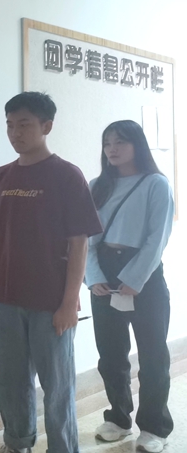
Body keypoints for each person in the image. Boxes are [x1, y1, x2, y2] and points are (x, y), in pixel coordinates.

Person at [0, 92, 102, 453]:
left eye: (24, 124)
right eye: (9, 125)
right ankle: (17, 443)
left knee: (57, 385)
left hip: (51, 302)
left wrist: (69, 301)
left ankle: (63, 447)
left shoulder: (67, 175)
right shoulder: (2, 176)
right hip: (7, 299)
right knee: (11, 381)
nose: (15, 133)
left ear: (46, 126)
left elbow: (79, 242)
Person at [85, 120, 174, 453]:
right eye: (107, 142)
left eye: (120, 141)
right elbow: (85, 239)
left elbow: (157, 239)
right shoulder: (96, 186)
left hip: (144, 274)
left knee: (152, 356)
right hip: (104, 270)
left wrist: (134, 279)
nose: (112, 148)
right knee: (110, 354)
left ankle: (154, 427)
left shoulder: (156, 184)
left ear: (138, 145)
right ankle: (119, 419)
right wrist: (94, 276)